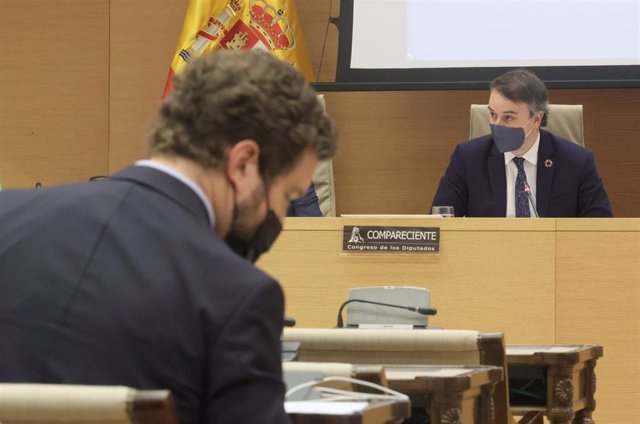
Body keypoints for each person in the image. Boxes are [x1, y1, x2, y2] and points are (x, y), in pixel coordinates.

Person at [0, 50, 337, 424]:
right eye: (288, 196)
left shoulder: (6, 216)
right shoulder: (235, 295)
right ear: (243, 164)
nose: (281, 218)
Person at [431, 69, 612, 217]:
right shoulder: (468, 158)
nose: (497, 125)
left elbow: (600, 230)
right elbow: (439, 225)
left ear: (536, 120)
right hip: (489, 258)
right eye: (493, 114)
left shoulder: (577, 162)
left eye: (508, 117)